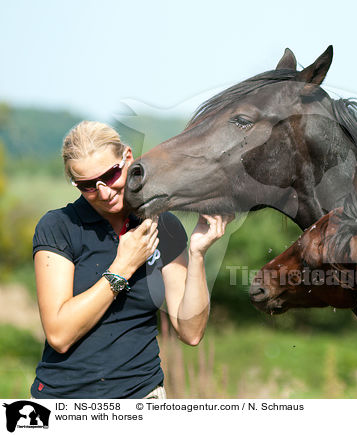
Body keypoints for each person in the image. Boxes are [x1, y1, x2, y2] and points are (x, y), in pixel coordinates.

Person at [29, 121, 228, 399]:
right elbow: (60, 335)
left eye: (110, 175)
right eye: (87, 186)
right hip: (64, 400)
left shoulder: (164, 226)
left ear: (128, 159)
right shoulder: (58, 227)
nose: (104, 192)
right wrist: (123, 267)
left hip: (143, 396)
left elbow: (191, 332)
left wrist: (196, 254)